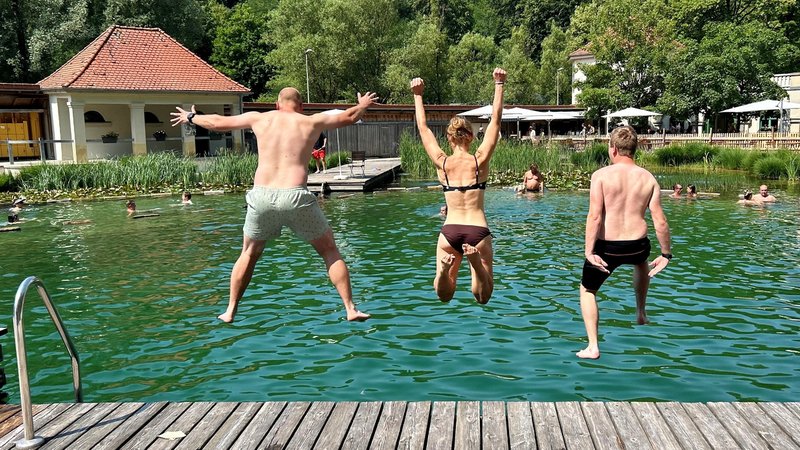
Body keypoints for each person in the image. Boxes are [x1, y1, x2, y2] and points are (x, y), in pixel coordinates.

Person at [171, 87, 377, 323]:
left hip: (262, 197)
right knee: (329, 250)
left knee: (248, 253)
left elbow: (218, 123)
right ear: (300, 106)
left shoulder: (260, 118)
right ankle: (350, 308)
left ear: (277, 105)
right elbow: (350, 117)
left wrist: (191, 117)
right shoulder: (310, 121)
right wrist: (363, 104)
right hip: (295, 196)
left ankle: (230, 310)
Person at [411, 67, 506, 305]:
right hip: (478, 230)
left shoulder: (442, 163)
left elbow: (423, 128)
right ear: (471, 137)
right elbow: (495, 121)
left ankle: (444, 272)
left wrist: (418, 95)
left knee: (443, 295)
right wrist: (499, 84)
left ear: (449, 138)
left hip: (449, 230)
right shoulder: (479, 160)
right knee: (483, 296)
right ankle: (475, 263)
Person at [577, 126, 672, 360]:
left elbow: (595, 216)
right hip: (638, 244)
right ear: (634, 149)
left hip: (607, 246)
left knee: (587, 291)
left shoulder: (600, 175)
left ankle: (593, 346)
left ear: (613, 149)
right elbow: (659, 220)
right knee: (641, 263)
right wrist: (667, 254)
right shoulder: (648, 178)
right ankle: (640, 312)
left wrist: (589, 251)